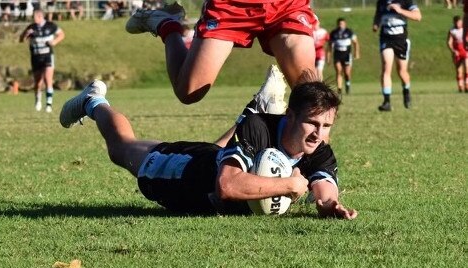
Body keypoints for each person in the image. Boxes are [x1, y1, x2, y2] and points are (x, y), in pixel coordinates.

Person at [59, 67, 358, 219]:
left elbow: (324, 189)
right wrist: (289, 186)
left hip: (217, 155)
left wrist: (331, 205)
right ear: (290, 115)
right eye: (312, 123)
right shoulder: (260, 130)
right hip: (185, 173)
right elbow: (226, 187)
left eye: (327, 126)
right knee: (122, 147)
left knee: (224, 152)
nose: (319, 133)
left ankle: (255, 104)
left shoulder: (320, 149)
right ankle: (94, 101)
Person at [125, 1, 318, 105]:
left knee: (312, 97)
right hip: (231, 6)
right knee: (189, 92)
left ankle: (320, 171)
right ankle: (166, 25)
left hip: (286, 6)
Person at [373, 0, 422, 111]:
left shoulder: (406, 1)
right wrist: (376, 24)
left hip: (401, 40)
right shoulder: (381, 2)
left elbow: (418, 16)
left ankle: (406, 91)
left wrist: (400, 10)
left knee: (402, 71)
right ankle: (387, 102)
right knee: (386, 67)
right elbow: (378, 14)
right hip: (386, 38)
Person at [20, 9, 65, 112]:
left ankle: (49, 104)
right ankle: (38, 101)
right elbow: (21, 40)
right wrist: (26, 34)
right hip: (35, 57)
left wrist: (54, 41)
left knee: (48, 79)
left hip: (47, 56)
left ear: (40, 16)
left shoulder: (50, 25)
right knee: (38, 83)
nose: (33, 19)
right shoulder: (31, 27)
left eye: (34, 17)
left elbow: (62, 34)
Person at [328, 18, 360, 95]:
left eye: (342, 24)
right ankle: (339, 89)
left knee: (347, 73)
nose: (340, 25)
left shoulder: (349, 32)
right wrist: (328, 57)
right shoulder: (333, 33)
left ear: (345, 24)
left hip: (347, 54)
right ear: (337, 24)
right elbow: (329, 45)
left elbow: (355, 42)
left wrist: (356, 53)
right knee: (338, 71)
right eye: (339, 24)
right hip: (337, 54)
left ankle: (347, 84)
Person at [447, 16, 468, 93]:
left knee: (467, 67)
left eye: (460, 22)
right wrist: (453, 50)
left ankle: (467, 85)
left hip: (465, 50)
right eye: (457, 22)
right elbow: (449, 42)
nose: (458, 24)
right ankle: (460, 87)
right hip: (457, 51)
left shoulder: (465, 28)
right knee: (459, 71)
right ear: (454, 22)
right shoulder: (452, 31)